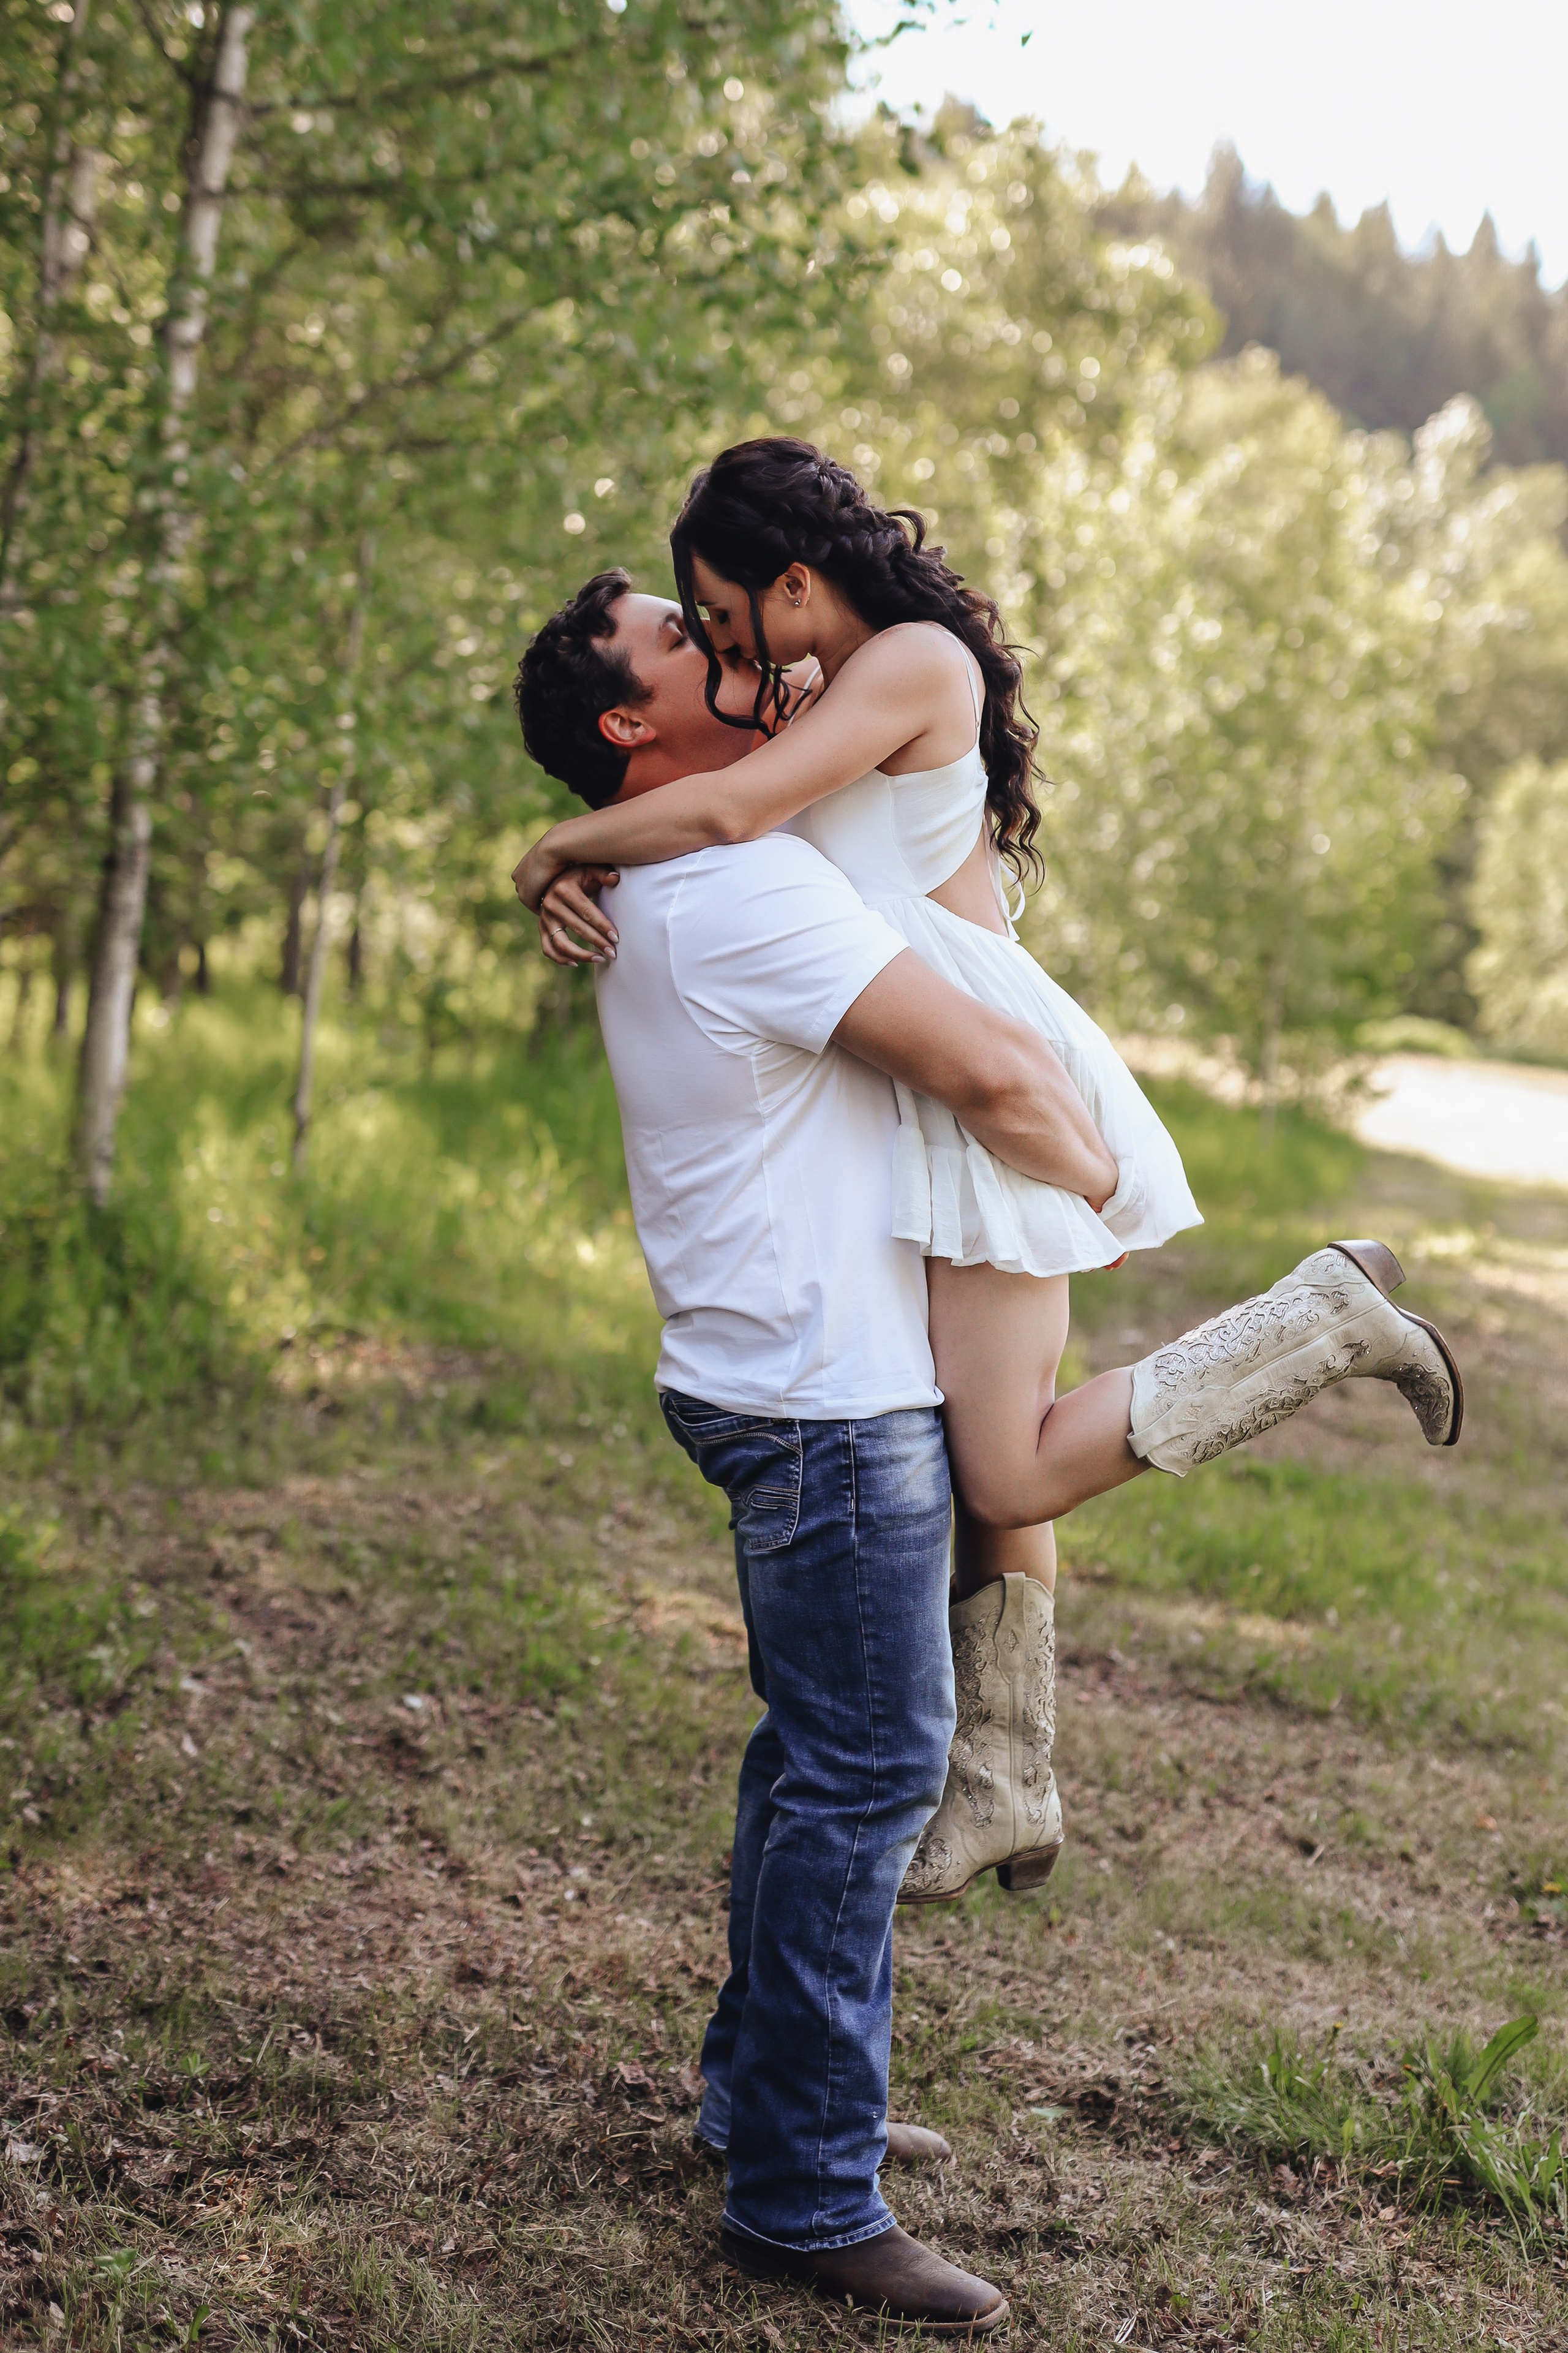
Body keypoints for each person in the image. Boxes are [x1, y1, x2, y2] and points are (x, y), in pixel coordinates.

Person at [512, 448, 1464, 1903]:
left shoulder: (905, 660)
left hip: (978, 1060)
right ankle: (1008, 1776)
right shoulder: (820, 679)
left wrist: (553, 846)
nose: (716, 647)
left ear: (786, 583)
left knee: (1006, 1457)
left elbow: (717, 817)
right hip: (931, 1064)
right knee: (989, 1450)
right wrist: (594, 853)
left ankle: (1315, 1323)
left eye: (714, 615)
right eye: (686, 634)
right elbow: (714, 817)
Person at [513, 568, 1134, 2332]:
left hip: (767, 1374)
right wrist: (1100, 1179)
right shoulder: (733, 892)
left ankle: (759, 2100)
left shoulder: (672, 868)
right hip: (824, 1403)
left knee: (811, 1765)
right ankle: (801, 2189)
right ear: (635, 723)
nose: (721, 648)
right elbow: (985, 1072)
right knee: (864, 1781)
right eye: (673, 635)